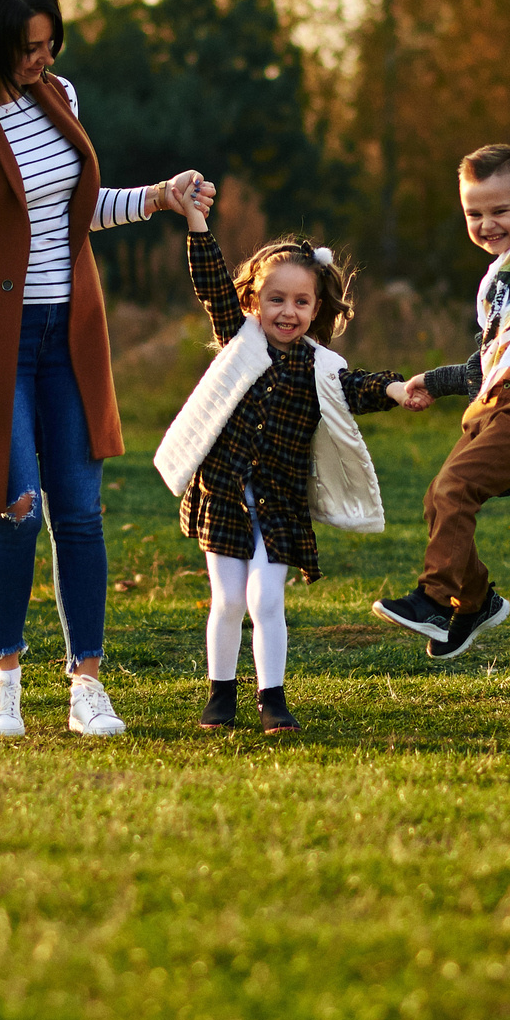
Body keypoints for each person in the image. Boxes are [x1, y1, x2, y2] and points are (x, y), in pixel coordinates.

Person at [0, 0, 210, 741]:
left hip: (70, 337)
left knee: (81, 511)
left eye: (50, 43)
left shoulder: (60, 99)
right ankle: (3, 679)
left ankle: (87, 683)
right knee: (18, 506)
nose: (44, 58)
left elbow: (75, 212)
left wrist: (158, 196)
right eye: (30, 46)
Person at [152, 183, 418, 734]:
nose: (288, 312)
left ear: (317, 308)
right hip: (223, 494)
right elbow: (212, 285)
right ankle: (221, 694)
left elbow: (357, 387)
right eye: (276, 299)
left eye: (301, 302)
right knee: (228, 599)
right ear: (254, 302)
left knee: (265, 598)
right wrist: (197, 223)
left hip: (280, 503)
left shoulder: (320, 367)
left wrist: (396, 389)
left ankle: (272, 697)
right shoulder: (239, 338)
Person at [371, 69, 510, 661]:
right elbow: (486, 363)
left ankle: (433, 598)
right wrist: (434, 380)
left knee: (455, 488)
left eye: (501, 210)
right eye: (474, 214)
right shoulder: (495, 284)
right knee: (439, 498)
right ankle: (473, 601)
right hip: (494, 404)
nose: (487, 224)